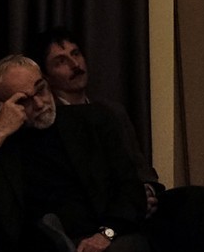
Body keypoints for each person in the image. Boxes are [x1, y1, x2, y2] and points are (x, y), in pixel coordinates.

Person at [0, 55, 204, 252]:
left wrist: (106, 234)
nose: (40, 103)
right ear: (3, 107)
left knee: (198, 203)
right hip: (40, 248)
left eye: (41, 89)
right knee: (60, 247)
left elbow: (129, 185)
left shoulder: (93, 121)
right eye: (24, 101)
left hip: (108, 232)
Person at [24, 26, 158, 189]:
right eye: (61, 61)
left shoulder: (113, 111)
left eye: (76, 54)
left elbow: (140, 167)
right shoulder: (47, 119)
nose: (75, 64)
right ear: (46, 76)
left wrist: (148, 189)